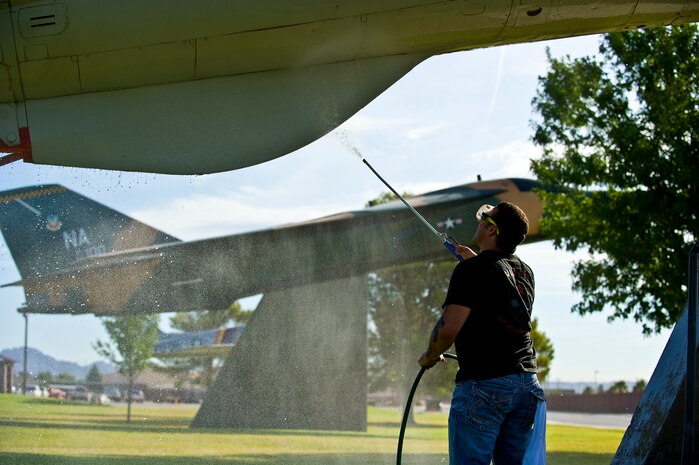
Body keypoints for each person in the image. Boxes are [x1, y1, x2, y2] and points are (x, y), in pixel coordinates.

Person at [418, 201, 545, 465]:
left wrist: (430, 354)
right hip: (527, 385)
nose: (480, 220)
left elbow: (448, 328)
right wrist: (476, 262)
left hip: (485, 385)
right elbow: (499, 292)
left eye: (484, 217)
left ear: (491, 230)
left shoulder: (470, 271)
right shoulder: (524, 272)